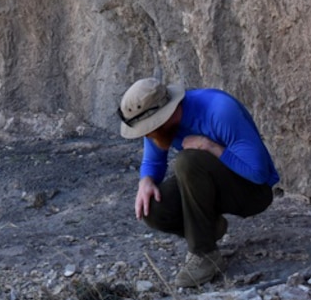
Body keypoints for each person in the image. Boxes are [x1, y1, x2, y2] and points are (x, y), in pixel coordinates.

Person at [118, 77, 280, 288]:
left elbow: (259, 174)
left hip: (251, 192)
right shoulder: (159, 127)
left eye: (149, 128)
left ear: (164, 114)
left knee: (188, 161)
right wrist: (146, 181)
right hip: (209, 184)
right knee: (153, 208)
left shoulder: (219, 110)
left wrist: (210, 147)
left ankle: (205, 255)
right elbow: (153, 161)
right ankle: (209, 229)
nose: (147, 134)